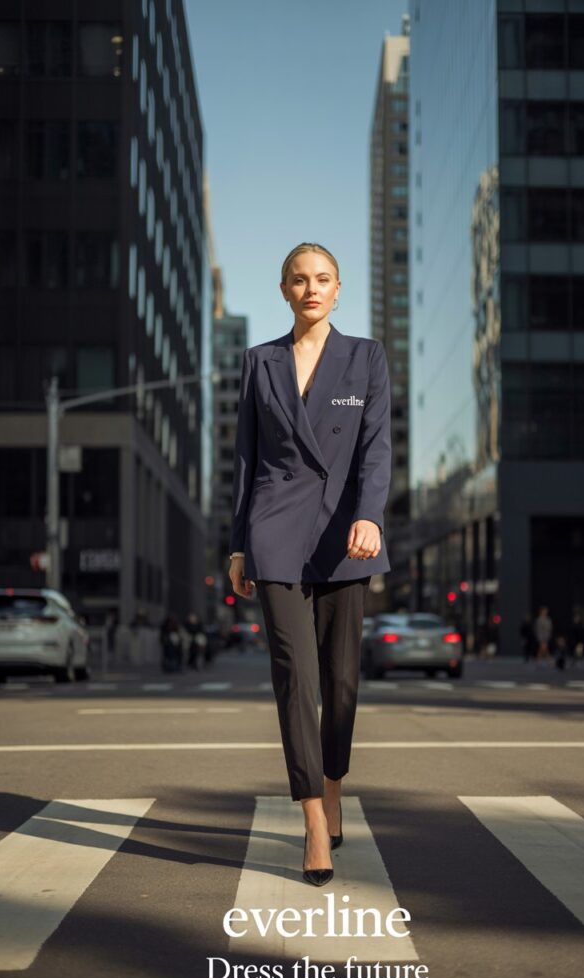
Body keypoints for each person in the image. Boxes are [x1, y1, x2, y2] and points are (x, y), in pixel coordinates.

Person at [228, 242, 391, 887]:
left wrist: (371, 514)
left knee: (341, 681)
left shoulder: (366, 357)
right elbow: (246, 458)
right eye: (300, 280)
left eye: (322, 279)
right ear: (284, 290)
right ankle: (314, 822)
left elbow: (376, 445)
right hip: (274, 532)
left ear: (339, 288)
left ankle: (334, 783)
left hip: (346, 534)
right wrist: (239, 544)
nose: (311, 288)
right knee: (295, 676)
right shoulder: (259, 362)